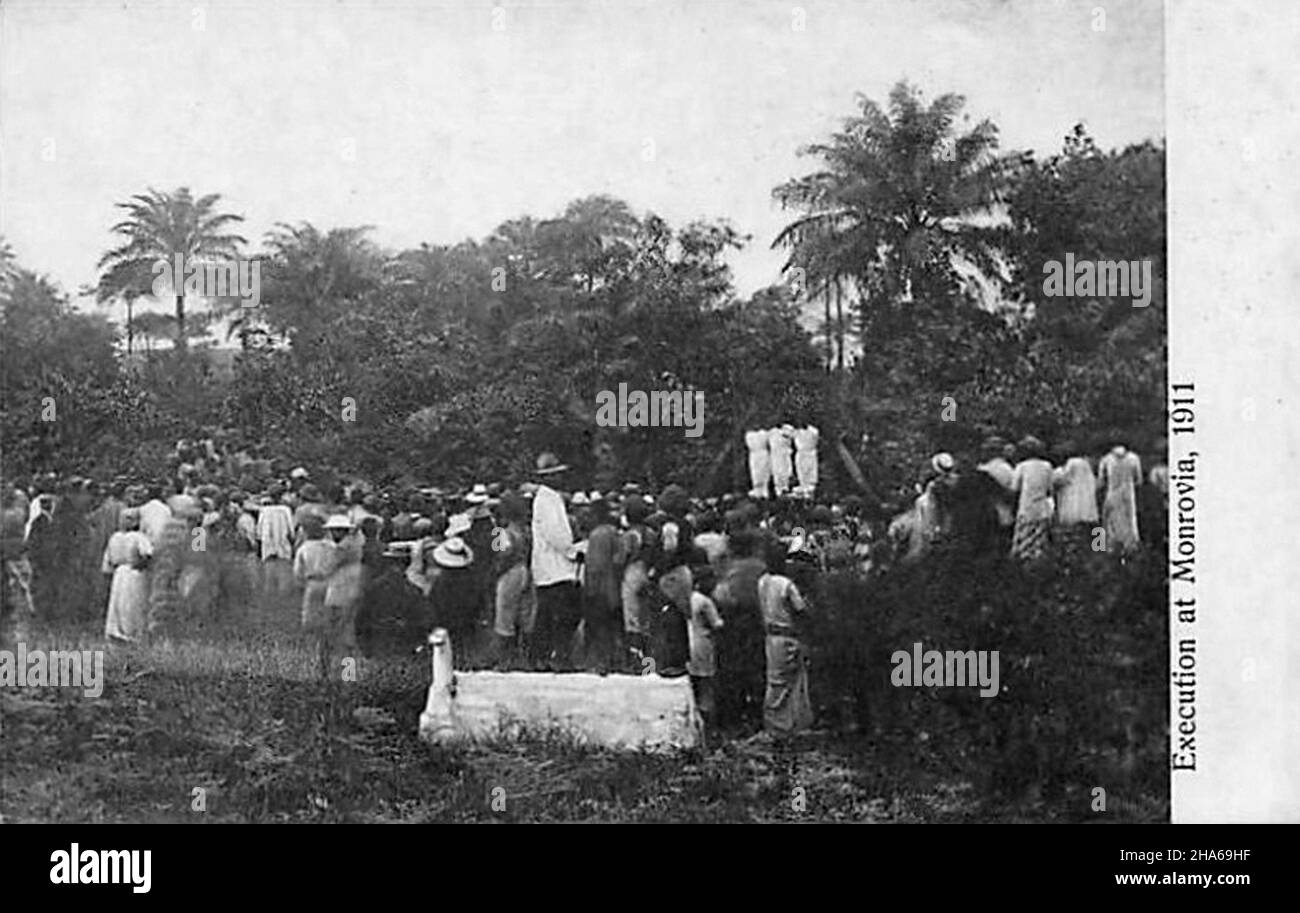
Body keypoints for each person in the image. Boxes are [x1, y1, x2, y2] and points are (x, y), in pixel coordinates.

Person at [530, 453, 581, 670]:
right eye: (556, 475)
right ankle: (551, 657)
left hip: (553, 566)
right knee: (557, 616)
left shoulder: (552, 498)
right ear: (547, 477)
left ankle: (549, 657)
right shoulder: (546, 499)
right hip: (554, 566)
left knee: (551, 615)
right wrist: (572, 551)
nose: (561, 478)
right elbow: (555, 534)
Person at [757, 542, 813, 736]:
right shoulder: (785, 584)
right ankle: (783, 725)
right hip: (786, 635)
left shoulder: (763, 581)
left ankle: (780, 723)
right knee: (786, 682)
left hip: (771, 636)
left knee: (776, 680)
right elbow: (800, 609)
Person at [489, 492, 534, 669]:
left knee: (505, 614)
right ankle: (524, 657)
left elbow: (500, 554)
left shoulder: (500, 532)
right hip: (525, 570)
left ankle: (504, 660)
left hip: (509, 573)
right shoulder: (526, 530)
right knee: (524, 613)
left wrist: (496, 573)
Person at [580, 497, 624, 674]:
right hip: (614, 587)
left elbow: (595, 567)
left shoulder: (597, 535)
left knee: (599, 628)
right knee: (612, 628)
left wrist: (590, 589)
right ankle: (616, 662)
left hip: (599, 590)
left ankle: (600, 663)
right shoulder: (614, 532)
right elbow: (619, 559)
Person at [102, 508, 154, 643]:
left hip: (119, 573)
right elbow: (148, 554)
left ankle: (119, 631)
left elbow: (107, 564)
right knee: (130, 603)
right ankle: (130, 633)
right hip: (132, 572)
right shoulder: (138, 537)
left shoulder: (115, 537)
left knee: (121, 603)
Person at [295, 515, 337, 677]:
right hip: (332, 585)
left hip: (313, 586)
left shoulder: (304, 549)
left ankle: (322, 669)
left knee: (317, 628)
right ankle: (347, 674)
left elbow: (298, 573)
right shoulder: (332, 547)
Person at [687, 566, 724, 731]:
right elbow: (717, 624)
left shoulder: (686, 598)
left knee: (691, 686)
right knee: (706, 686)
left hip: (687, 643)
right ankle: (709, 728)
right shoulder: (705, 601)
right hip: (703, 644)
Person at [1010, 436, 1055, 564]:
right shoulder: (1047, 466)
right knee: (1039, 544)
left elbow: (1014, 489)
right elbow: (1050, 489)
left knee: (1023, 543)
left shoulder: (1021, 467)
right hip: (1042, 509)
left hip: (1026, 508)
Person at [1098, 438, 1143, 556]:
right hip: (1128, 494)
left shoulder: (1106, 459)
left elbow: (1101, 481)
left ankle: (1107, 547)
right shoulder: (1134, 458)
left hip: (1112, 493)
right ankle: (1130, 548)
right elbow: (1139, 480)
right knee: (1129, 520)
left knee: (1110, 520)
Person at [1052, 440, 1099, 550]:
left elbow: (1058, 480)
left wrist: (1056, 471)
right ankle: (1098, 549)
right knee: (1092, 537)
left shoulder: (1071, 464)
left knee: (1072, 539)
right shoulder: (1087, 465)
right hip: (1089, 510)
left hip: (1072, 510)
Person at [257, 487, 295, 607]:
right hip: (283, 545)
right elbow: (291, 530)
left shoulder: (264, 511)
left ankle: (270, 603)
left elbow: (259, 530)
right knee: (284, 577)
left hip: (268, 545)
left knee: (269, 577)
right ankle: (283, 603)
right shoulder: (286, 510)